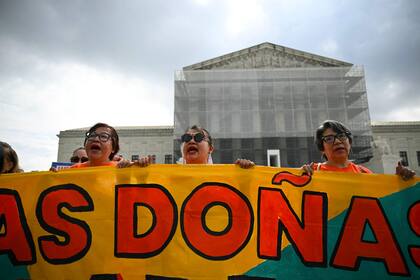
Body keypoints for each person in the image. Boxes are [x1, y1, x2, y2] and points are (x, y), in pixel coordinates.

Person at [301, 120, 415, 180]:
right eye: (329, 138)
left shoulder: (364, 173)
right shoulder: (312, 171)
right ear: (322, 149)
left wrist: (399, 182)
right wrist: (299, 177)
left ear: (349, 143)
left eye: (342, 136)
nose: (337, 141)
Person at [179, 125, 255, 168]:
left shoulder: (224, 179)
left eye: (198, 137)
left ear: (210, 148)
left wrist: (245, 176)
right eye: (187, 138)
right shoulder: (171, 180)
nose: (191, 141)